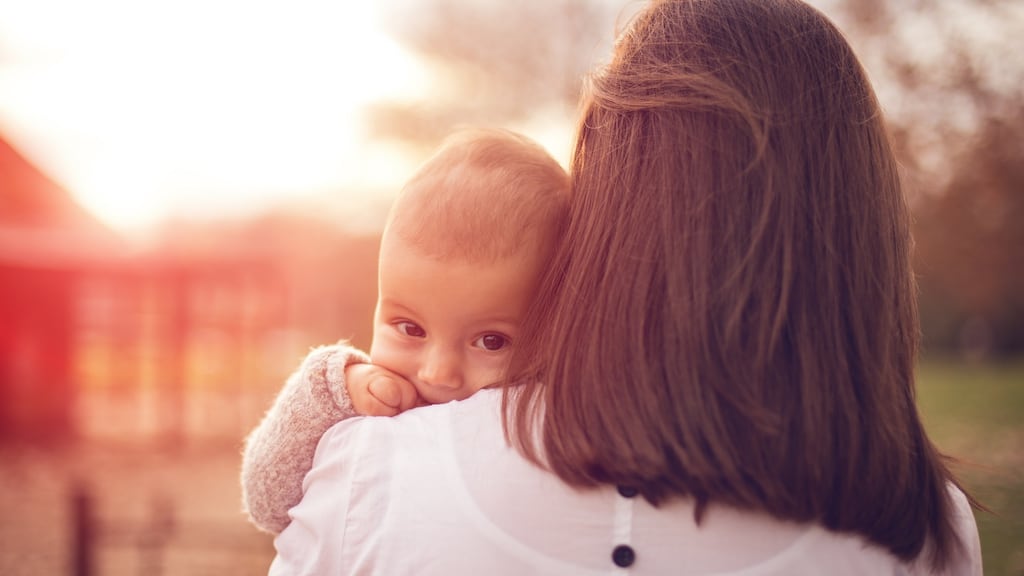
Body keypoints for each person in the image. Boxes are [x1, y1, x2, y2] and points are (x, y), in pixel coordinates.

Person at [268, 0, 985, 574]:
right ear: (860, 240)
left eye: (489, 337)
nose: (439, 368)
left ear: (602, 218)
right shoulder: (927, 536)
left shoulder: (373, 473)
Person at [241, 127, 570, 534]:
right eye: (410, 328)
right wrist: (331, 389)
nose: (437, 373)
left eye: (491, 341)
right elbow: (266, 503)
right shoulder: (365, 399)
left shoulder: (556, 419)